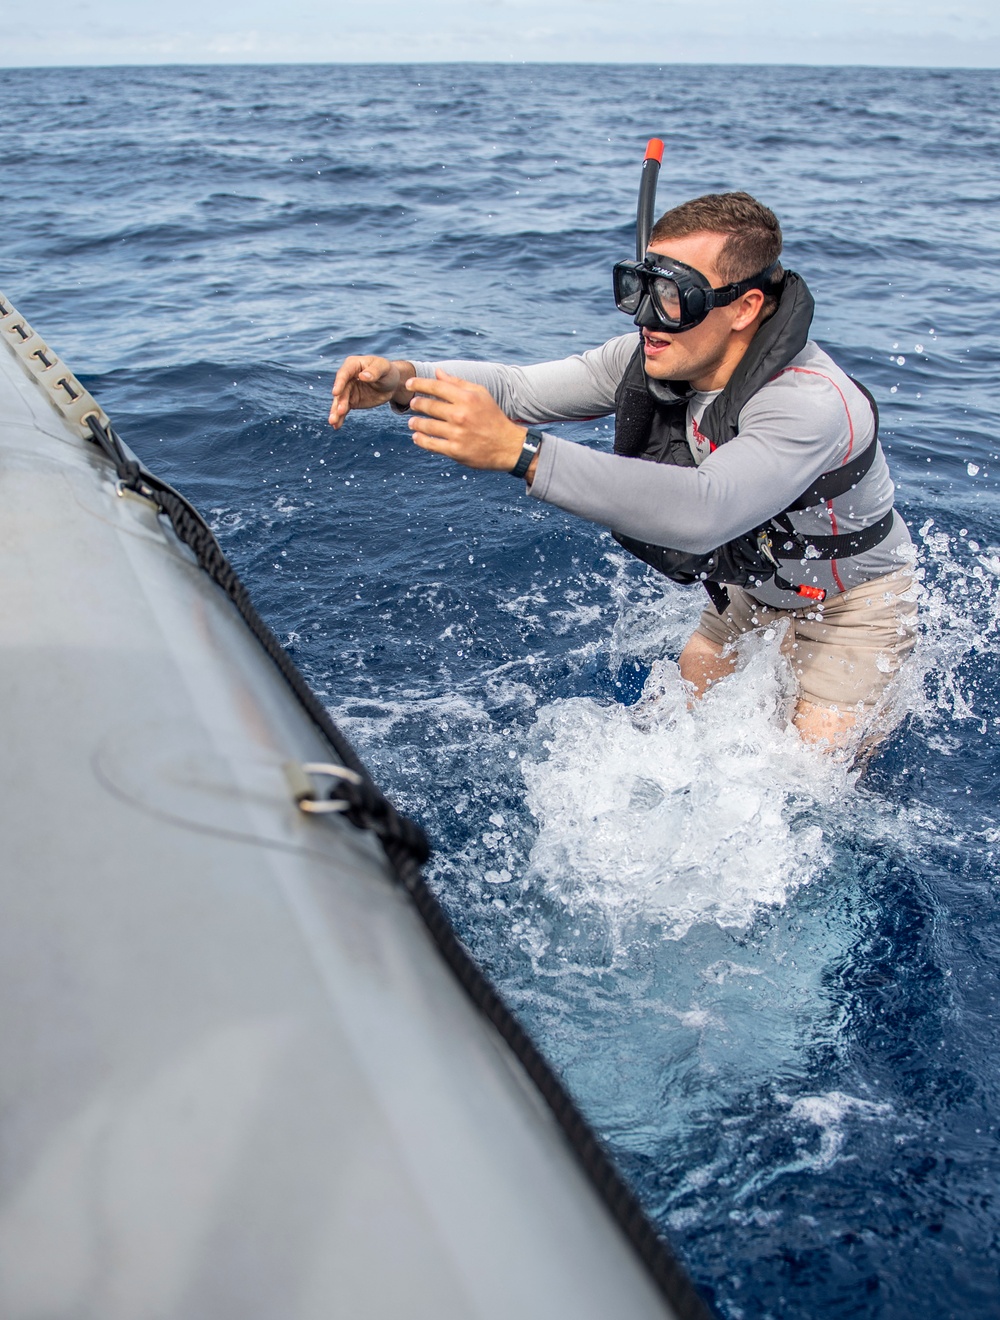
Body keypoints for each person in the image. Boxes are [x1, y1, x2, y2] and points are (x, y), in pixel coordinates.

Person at [329, 189, 917, 748]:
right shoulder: (655, 357)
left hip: (851, 603)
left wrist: (519, 453)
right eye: (641, 287)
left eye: (674, 297)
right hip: (754, 583)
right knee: (687, 706)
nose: (647, 318)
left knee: (808, 783)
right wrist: (404, 379)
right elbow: (517, 388)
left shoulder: (808, 403)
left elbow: (705, 510)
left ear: (745, 308)